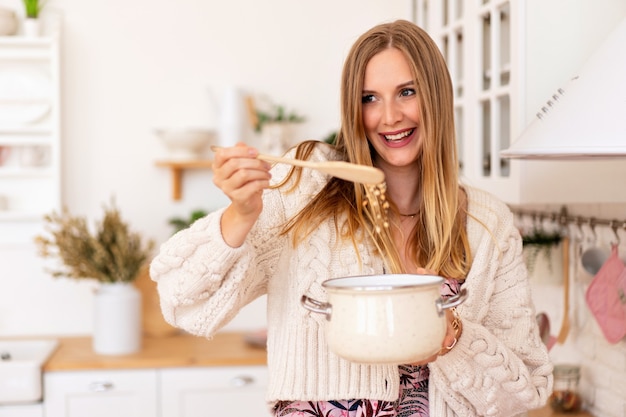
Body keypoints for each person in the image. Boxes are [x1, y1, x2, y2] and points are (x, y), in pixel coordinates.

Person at [150, 19, 553, 417]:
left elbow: (525, 391)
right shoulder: (306, 187)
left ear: (436, 96)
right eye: (369, 98)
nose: (390, 116)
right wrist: (241, 214)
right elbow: (181, 299)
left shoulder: (486, 222)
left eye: (407, 92)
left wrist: (453, 338)